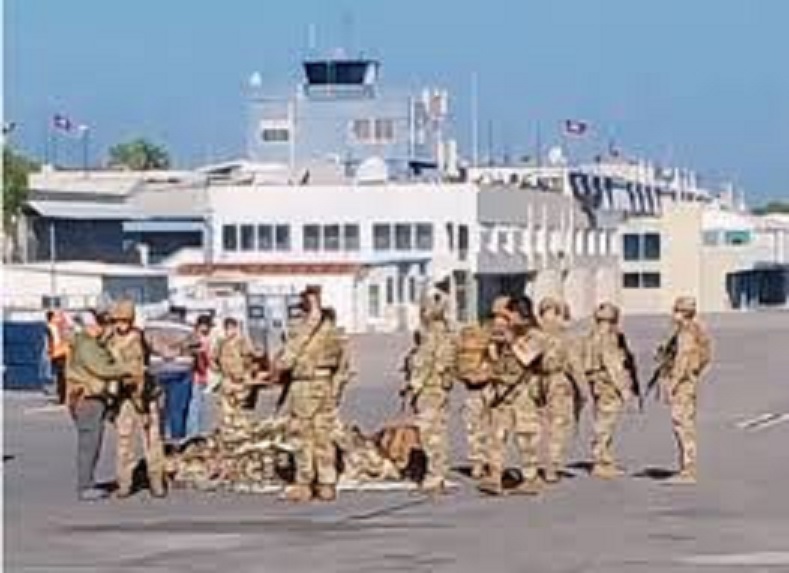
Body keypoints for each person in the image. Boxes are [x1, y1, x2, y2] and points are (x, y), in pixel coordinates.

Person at [275, 285, 343, 502]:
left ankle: (304, 482)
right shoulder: (332, 330)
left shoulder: (301, 328)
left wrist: (277, 367)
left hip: (304, 386)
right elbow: (341, 364)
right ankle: (327, 483)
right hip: (324, 385)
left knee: (302, 435)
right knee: (324, 435)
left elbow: (286, 360)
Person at [478, 295, 547, 496]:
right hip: (502, 392)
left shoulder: (536, 336)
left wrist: (512, 340)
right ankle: (494, 475)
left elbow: (527, 357)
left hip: (524, 393)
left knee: (526, 436)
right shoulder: (503, 335)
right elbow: (492, 361)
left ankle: (530, 477)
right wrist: (494, 342)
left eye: (509, 315)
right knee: (496, 435)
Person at [65, 310, 129, 501]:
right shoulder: (87, 345)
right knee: (89, 443)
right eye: (101, 324)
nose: (104, 328)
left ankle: (87, 483)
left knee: (91, 442)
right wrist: (127, 369)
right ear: (91, 325)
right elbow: (101, 369)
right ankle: (85, 486)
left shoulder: (87, 343)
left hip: (89, 398)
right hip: (88, 399)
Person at [106, 300, 166, 498]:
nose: (120, 325)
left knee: (152, 440)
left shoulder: (141, 338)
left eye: (124, 320)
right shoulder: (108, 339)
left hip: (145, 396)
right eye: (117, 320)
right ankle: (124, 482)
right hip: (123, 398)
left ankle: (156, 481)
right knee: (124, 442)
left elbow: (157, 355)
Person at [403, 285, 456, 494]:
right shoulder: (442, 334)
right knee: (436, 432)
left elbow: (424, 363)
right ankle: (436, 474)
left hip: (430, 390)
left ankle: (435, 476)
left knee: (430, 434)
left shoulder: (432, 335)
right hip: (435, 389)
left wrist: (413, 386)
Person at [657, 296, 712, 485]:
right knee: (683, 425)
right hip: (688, 382)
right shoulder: (696, 330)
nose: (673, 315)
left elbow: (682, 361)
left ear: (682, 312)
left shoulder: (686, 334)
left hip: (683, 385)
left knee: (683, 426)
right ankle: (686, 468)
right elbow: (705, 357)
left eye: (676, 311)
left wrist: (672, 384)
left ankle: (688, 470)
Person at [583, 302, 636, 478]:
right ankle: (600, 462)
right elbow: (613, 365)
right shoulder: (608, 338)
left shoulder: (592, 336)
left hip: (597, 382)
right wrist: (624, 390)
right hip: (607, 384)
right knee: (606, 423)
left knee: (602, 420)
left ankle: (604, 458)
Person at [537, 297, 586, 484]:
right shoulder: (564, 337)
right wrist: (583, 390)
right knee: (558, 425)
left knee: (541, 424)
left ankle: (534, 464)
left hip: (536, 383)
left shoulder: (533, 335)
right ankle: (552, 465)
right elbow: (574, 365)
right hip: (559, 382)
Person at [216, 317, 255, 433]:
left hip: (240, 378)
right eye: (227, 328)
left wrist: (247, 374)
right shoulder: (221, 342)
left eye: (232, 328)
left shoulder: (242, 341)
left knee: (240, 406)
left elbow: (249, 358)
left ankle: (240, 430)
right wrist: (220, 370)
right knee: (226, 408)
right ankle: (228, 429)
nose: (230, 331)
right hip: (227, 378)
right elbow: (214, 358)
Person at [186, 314, 214, 438]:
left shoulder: (195, 337)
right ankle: (194, 434)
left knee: (194, 405)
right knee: (195, 406)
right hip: (196, 376)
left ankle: (193, 432)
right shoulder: (201, 340)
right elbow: (203, 360)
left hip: (197, 376)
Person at [46, 309, 70, 404]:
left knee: (62, 376)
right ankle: (62, 397)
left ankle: (63, 396)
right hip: (58, 353)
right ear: (52, 318)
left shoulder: (57, 327)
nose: (58, 318)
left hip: (62, 353)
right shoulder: (52, 327)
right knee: (61, 376)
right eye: (56, 317)